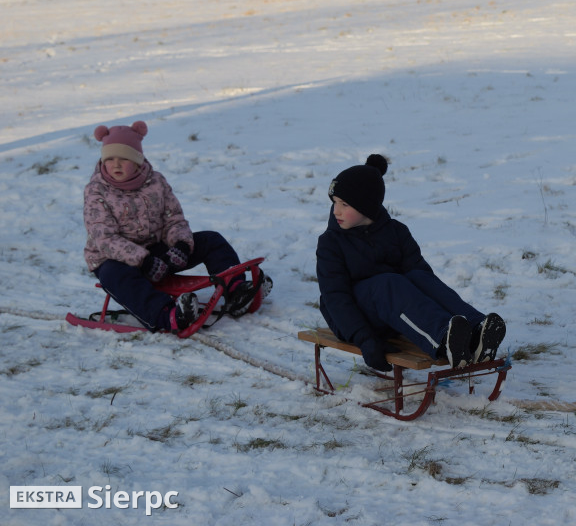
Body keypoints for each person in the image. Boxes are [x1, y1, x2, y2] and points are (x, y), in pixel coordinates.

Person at [316, 154, 505, 372]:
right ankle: (444, 339)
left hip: (394, 309)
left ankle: (476, 328)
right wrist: (365, 340)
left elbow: (423, 276)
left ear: (367, 206)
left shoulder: (396, 231)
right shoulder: (331, 243)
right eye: (334, 203)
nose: (336, 210)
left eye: (344, 204)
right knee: (388, 282)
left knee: (419, 276)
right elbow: (335, 297)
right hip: (352, 319)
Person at [83, 121, 270, 332]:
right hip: (116, 259)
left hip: (157, 251)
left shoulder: (155, 182)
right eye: (110, 159)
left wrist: (180, 245)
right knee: (114, 275)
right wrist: (143, 261)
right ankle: (167, 315)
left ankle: (236, 290)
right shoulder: (96, 191)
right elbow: (104, 238)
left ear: (137, 160)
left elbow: (174, 218)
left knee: (211, 240)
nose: (116, 165)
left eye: (124, 158)